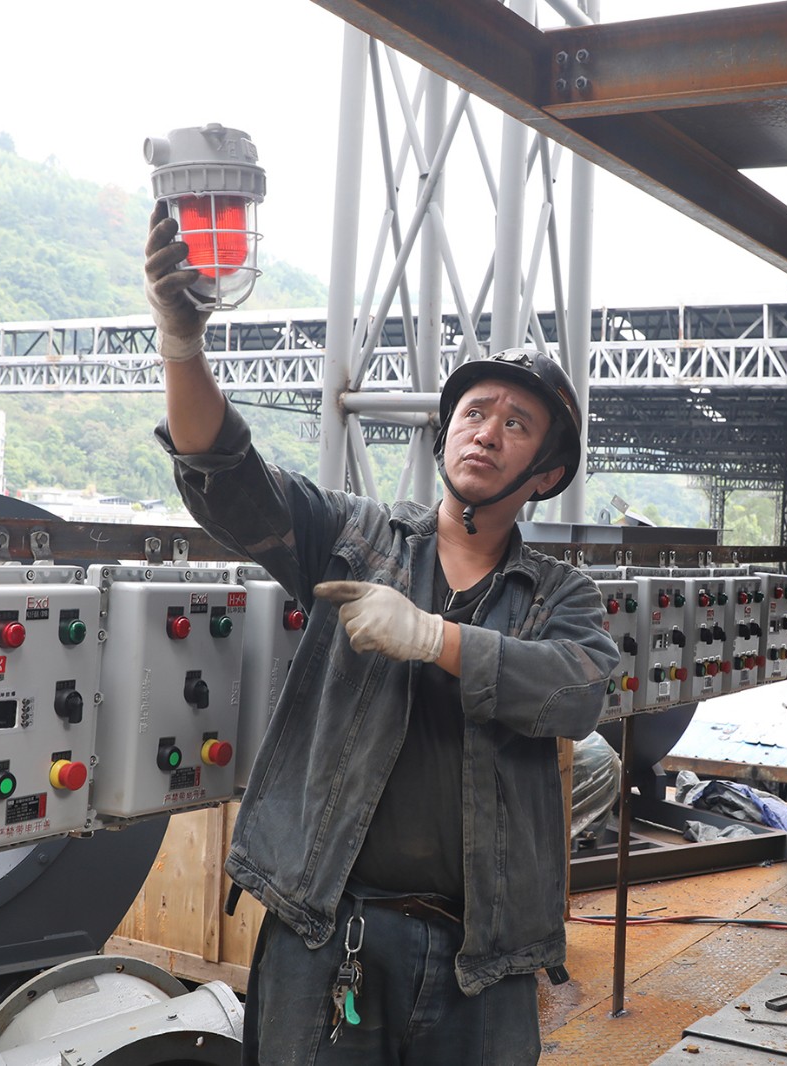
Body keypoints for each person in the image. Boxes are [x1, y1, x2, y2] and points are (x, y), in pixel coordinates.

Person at [144, 208, 620, 1064]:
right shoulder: (354, 538)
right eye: (475, 412)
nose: (488, 431)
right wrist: (183, 347)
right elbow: (232, 482)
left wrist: (435, 638)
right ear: (445, 433)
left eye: (517, 424)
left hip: (484, 960)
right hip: (330, 929)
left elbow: (578, 692)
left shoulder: (560, 595)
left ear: (546, 473)